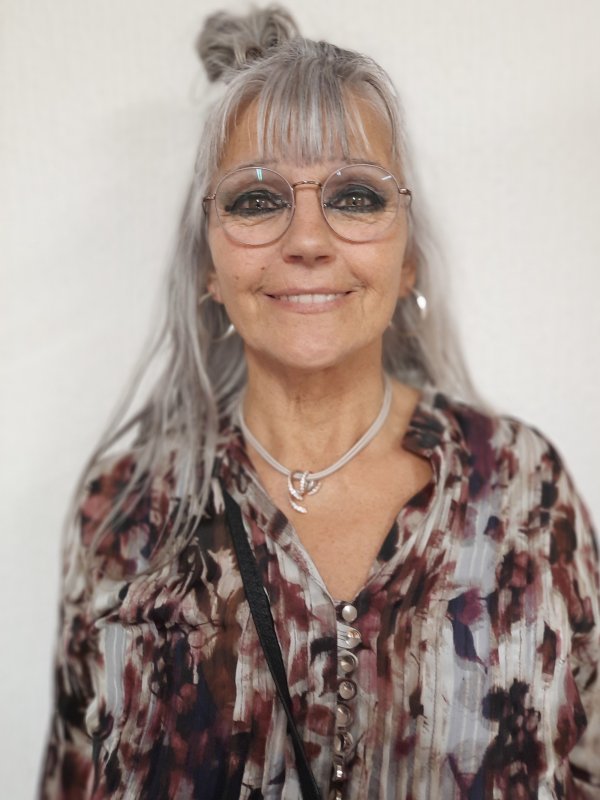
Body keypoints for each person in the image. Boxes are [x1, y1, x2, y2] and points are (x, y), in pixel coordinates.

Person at [39, 6, 599, 799]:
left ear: (407, 260)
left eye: (356, 197)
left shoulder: (521, 490)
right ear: (208, 267)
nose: (307, 240)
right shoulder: (123, 518)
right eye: (257, 200)